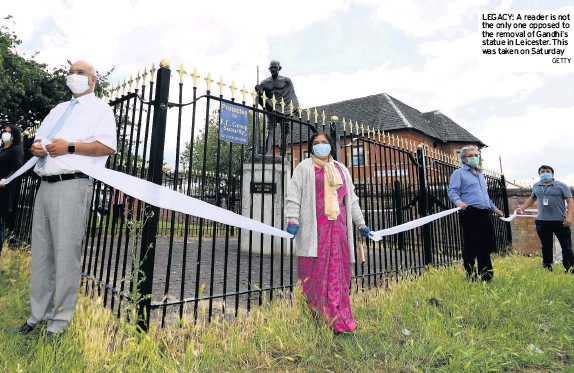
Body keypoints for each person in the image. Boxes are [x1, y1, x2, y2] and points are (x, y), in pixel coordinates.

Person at [15, 60, 117, 338]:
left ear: (93, 80)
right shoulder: (58, 109)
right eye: (71, 73)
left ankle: (58, 324)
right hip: (45, 185)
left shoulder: (100, 109)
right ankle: (37, 315)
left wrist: (70, 146)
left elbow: (108, 145)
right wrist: (37, 148)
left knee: (65, 254)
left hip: (72, 184)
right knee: (42, 253)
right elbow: (40, 141)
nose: (74, 77)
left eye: (80, 73)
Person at [284, 133, 373, 334]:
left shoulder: (342, 170)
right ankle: (316, 318)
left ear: (331, 146)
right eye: (316, 143)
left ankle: (339, 318)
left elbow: (351, 200)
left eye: (324, 143)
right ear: (310, 147)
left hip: (339, 227)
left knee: (338, 272)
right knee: (314, 272)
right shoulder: (304, 168)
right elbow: (293, 196)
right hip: (315, 228)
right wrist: (292, 219)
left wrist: (361, 224)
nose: (320, 146)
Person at [447, 145, 503, 282]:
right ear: (464, 159)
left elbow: (486, 196)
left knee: (485, 245)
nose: (474, 158)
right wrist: (459, 202)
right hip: (470, 213)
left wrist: (495, 208)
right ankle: (470, 275)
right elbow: (452, 191)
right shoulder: (458, 174)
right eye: (471, 156)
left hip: (484, 213)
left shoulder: (481, 175)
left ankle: (486, 277)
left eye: (476, 155)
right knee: (471, 245)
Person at [517, 165, 574, 272]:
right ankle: (547, 268)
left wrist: (569, 217)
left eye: (548, 171)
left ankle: (570, 268)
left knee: (566, 246)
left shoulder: (561, 186)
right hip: (542, 221)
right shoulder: (536, 186)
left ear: (552, 174)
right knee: (546, 246)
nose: (545, 173)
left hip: (560, 221)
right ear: (539, 174)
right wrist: (522, 208)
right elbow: (532, 197)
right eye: (542, 171)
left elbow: (570, 201)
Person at [255, 60, 299, 156]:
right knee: (270, 130)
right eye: (272, 68)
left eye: (275, 67)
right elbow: (260, 97)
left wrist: (297, 107)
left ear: (279, 68)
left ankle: (283, 154)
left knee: (285, 132)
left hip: (285, 109)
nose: (273, 69)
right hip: (272, 108)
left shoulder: (286, 81)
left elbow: (293, 95)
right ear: (269, 69)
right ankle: (267, 153)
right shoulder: (264, 83)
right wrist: (258, 91)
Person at [0, 124, 24, 254]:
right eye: (4, 131)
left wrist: (6, 180)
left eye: (9, 132)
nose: (6, 134)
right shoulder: (1, 149)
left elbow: (16, 169)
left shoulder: (16, 150)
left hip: (4, 190)